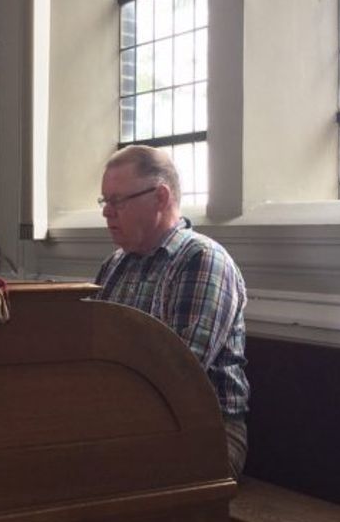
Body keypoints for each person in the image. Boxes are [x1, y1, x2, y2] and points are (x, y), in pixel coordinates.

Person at [93, 145, 249, 478]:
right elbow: (93, 353)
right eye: (105, 201)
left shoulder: (202, 260)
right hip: (125, 421)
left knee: (105, 476)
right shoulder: (114, 266)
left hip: (205, 428)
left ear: (161, 197)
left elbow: (179, 374)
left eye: (117, 201)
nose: (107, 212)